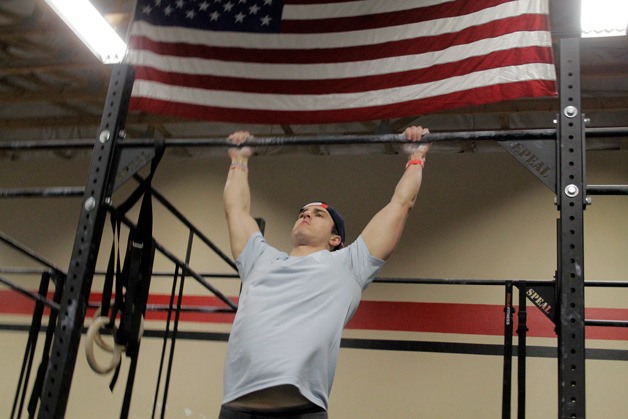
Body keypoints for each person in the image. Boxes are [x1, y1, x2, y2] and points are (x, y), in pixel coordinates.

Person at [219, 126, 430, 418]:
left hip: (301, 410)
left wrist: (416, 157)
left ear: (335, 239)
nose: (306, 214)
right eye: (303, 212)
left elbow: (401, 204)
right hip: (237, 409)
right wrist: (239, 160)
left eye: (319, 214)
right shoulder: (260, 259)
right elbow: (236, 211)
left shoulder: (348, 266)